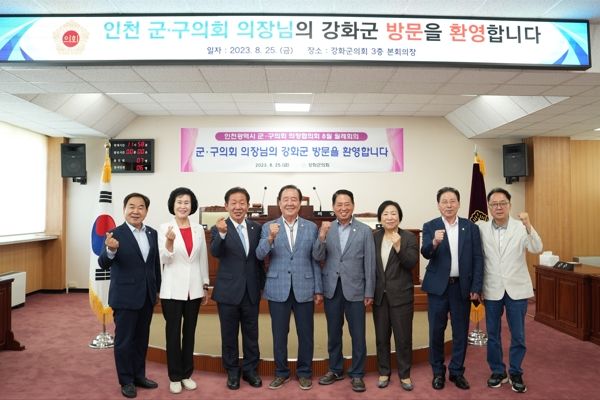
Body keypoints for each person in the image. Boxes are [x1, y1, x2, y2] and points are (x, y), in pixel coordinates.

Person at [256, 184, 323, 391]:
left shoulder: (311, 227)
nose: (290, 203)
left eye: (294, 199)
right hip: (278, 288)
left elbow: (315, 260)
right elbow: (259, 254)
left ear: (300, 203)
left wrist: (318, 289)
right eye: (285, 199)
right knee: (279, 335)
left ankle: (304, 372)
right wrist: (270, 238)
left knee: (306, 334)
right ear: (279, 203)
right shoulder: (269, 227)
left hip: (305, 286)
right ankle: (281, 372)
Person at [479, 187, 543, 393]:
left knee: (518, 335)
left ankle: (516, 371)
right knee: (493, 334)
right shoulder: (481, 228)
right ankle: (498, 371)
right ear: (489, 207)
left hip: (517, 289)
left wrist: (528, 225)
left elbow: (536, 248)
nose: (499, 207)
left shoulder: (520, 227)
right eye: (494, 204)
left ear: (509, 205)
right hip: (492, 289)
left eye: (502, 203)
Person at [98, 193, 161, 399]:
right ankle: (126, 381)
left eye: (140, 207)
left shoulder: (152, 233)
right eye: (131, 206)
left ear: (146, 211)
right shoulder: (115, 234)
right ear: (124, 209)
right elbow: (103, 263)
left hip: (147, 296)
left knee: (141, 339)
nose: (136, 211)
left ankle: (139, 376)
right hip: (125, 297)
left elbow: (154, 265)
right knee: (124, 341)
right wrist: (110, 250)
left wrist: (157, 290)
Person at [313, 189, 376, 392]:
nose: (343, 208)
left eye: (347, 204)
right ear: (333, 207)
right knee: (333, 333)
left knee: (358, 334)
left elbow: (370, 263)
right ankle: (335, 369)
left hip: (356, 289)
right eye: (339, 204)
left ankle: (357, 373)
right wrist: (321, 236)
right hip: (332, 288)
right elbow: (317, 256)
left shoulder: (364, 230)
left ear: (353, 206)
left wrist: (369, 291)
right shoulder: (327, 228)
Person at [420, 187, 483, 391]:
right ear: (438, 205)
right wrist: (434, 242)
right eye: (444, 201)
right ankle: (438, 372)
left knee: (460, 332)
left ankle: (457, 372)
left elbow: (478, 258)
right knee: (436, 332)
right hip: (438, 288)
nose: (449, 205)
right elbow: (426, 253)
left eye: (452, 201)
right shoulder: (430, 226)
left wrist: (476, 286)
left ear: (458, 203)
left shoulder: (470, 227)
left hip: (461, 288)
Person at [210, 187, 265, 390]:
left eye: (242, 202)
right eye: (233, 203)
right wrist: (222, 234)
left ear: (248, 206)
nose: (238, 206)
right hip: (228, 291)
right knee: (229, 335)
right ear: (226, 206)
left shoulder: (256, 228)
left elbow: (259, 260)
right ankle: (232, 371)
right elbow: (215, 252)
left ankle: (250, 370)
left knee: (251, 334)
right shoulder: (219, 227)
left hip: (251, 290)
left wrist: (261, 286)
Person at [157, 187, 209, 394]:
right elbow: (164, 259)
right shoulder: (164, 228)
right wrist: (169, 241)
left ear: (192, 206)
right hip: (172, 289)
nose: (183, 206)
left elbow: (202, 258)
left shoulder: (198, 229)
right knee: (172, 333)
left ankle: (187, 374)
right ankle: (175, 376)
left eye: (186, 202)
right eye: (179, 202)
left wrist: (205, 284)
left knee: (189, 333)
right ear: (173, 204)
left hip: (194, 288)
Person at [372, 200, 419, 391]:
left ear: (399, 217)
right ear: (380, 218)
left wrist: (399, 247)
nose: (389, 217)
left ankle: (405, 375)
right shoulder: (374, 237)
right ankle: (384, 372)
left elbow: (411, 263)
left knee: (403, 338)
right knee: (381, 337)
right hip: (379, 296)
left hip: (401, 296)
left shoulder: (408, 237)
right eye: (385, 214)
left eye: (393, 213)